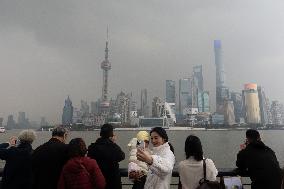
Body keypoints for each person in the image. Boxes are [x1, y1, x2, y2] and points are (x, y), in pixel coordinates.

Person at [87, 123, 125, 189]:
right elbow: (122, 156)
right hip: (113, 183)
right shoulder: (112, 147)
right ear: (111, 134)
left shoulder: (92, 148)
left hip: (97, 182)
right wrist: (113, 143)